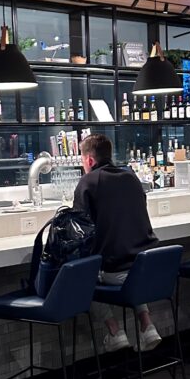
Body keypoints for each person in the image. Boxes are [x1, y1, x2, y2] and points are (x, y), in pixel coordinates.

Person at [73, 133, 160, 353]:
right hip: (148, 267)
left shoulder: (88, 183)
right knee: (131, 271)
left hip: (118, 271)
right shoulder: (131, 177)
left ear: (90, 160)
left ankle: (114, 332)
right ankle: (146, 324)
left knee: (84, 277)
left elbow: (78, 230)